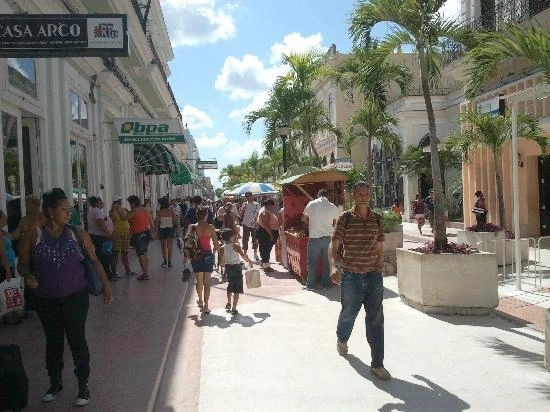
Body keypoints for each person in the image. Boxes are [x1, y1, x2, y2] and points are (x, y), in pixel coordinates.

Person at [17, 188, 113, 406]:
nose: (69, 212)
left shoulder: (77, 234)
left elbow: (94, 259)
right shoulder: (33, 235)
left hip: (75, 296)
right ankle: (55, 381)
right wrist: (28, 276)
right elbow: (22, 265)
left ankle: (83, 384)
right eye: (63, 209)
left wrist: (106, 285)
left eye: (69, 209)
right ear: (51, 211)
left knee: (77, 339)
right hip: (46, 299)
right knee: (53, 341)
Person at [327, 181, 390, 381]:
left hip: (373, 276)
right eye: (360, 194)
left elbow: (379, 245)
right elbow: (334, 245)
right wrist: (333, 267)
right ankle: (342, 338)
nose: (364, 197)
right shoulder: (345, 218)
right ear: (353, 195)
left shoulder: (377, 218)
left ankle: (377, 364)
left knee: (376, 319)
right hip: (351, 276)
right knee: (349, 313)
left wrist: (380, 263)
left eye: (366, 194)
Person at [301, 189, 340, 290]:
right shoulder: (333, 207)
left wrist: (311, 223)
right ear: (328, 196)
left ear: (318, 195)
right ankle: (326, 284)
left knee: (312, 262)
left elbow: (303, 219)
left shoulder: (311, 204)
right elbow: (335, 223)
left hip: (314, 237)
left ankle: (311, 285)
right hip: (328, 238)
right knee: (327, 262)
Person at [190, 208, 221, 314]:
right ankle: (206, 306)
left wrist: (185, 257)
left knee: (199, 281)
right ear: (205, 216)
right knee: (207, 282)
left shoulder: (192, 227)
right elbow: (216, 243)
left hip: (196, 255)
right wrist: (221, 255)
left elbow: (188, 243)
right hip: (207, 255)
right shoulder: (210, 227)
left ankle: (200, 300)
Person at [221, 229, 253, 315]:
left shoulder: (222, 248)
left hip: (228, 268)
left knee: (230, 286)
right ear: (231, 236)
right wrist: (250, 261)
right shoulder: (236, 246)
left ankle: (229, 303)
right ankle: (234, 308)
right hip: (236, 268)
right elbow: (243, 256)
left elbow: (221, 262)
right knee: (237, 288)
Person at [127, 195, 155, 280]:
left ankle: (145, 274)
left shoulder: (134, 211)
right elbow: (152, 224)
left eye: (130, 203)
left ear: (133, 203)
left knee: (140, 255)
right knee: (144, 254)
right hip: (146, 233)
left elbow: (123, 218)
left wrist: (119, 210)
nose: (129, 205)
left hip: (138, 234)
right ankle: (146, 272)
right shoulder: (146, 210)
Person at [87, 196, 114, 279]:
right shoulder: (97, 211)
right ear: (96, 203)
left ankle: (103, 273)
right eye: (100, 201)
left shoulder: (92, 210)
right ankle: (106, 274)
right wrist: (108, 233)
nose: (102, 203)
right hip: (100, 237)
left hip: (95, 236)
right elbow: (101, 223)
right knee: (104, 256)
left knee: (100, 254)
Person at [109, 196, 135, 277]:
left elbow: (129, 218)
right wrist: (115, 209)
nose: (120, 203)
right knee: (116, 252)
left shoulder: (124, 209)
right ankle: (114, 272)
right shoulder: (112, 211)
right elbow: (113, 218)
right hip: (116, 232)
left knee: (125, 252)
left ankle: (128, 270)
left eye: (120, 201)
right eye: (118, 201)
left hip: (126, 232)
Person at [255, 199, 279, 272]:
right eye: (273, 206)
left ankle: (265, 264)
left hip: (264, 232)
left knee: (265, 249)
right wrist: (271, 235)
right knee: (266, 249)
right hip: (265, 233)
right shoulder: (265, 212)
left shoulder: (264, 210)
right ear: (269, 205)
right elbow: (266, 225)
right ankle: (266, 266)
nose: (274, 207)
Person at [156, 197, 176, 268]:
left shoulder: (159, 212)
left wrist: (156, 231)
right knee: (170, 246)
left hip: (162, 229)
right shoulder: (171, 211)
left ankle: (165, 260)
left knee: (163, 246)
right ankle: (169, 262)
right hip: (170, 229)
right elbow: (174, 222)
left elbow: (157, 222)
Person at [240, 191, 260, 261]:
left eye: (249, 196)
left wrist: (257, 222)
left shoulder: (257, 205)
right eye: (246, 196)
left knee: (255, 239)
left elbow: (258, 214)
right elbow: (240, 215)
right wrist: (243, 209)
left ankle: (255, 253)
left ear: (252, 196)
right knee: (245, 239)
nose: (248, 198)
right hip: (246, 224)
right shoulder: (244, 204)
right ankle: (245, 253)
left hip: (254, 224)